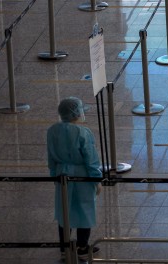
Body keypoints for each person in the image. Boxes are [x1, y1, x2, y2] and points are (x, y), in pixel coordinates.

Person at [48, 96, 103, 262]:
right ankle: (82, 247)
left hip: (61, 174)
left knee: (64, 209)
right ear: (77, 113)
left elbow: (51, 157)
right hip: (81, 175)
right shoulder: (83, 132)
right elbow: (91, 159)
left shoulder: (52, 130)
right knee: (84, 208)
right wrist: (96, 180)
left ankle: (64, 246)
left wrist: (54, 175)